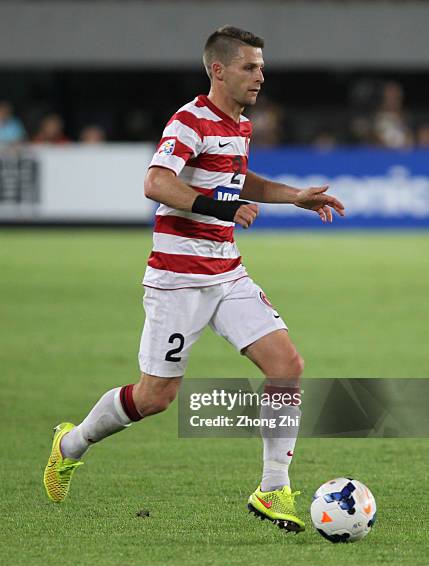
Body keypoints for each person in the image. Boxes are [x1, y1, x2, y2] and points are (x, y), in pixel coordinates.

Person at [43, 25, 344, 533]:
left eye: (263, 67)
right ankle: (71, 444)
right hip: (177, 280)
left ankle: (273, 488)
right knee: (155, 397)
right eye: (251, 67)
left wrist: (294, 196)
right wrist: (218, 205)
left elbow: (239, 178)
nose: (261, 76)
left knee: (286, 364)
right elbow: (156, 182)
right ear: (218, 70)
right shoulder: (189, 121)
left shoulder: (240, 125)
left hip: (227, 271)